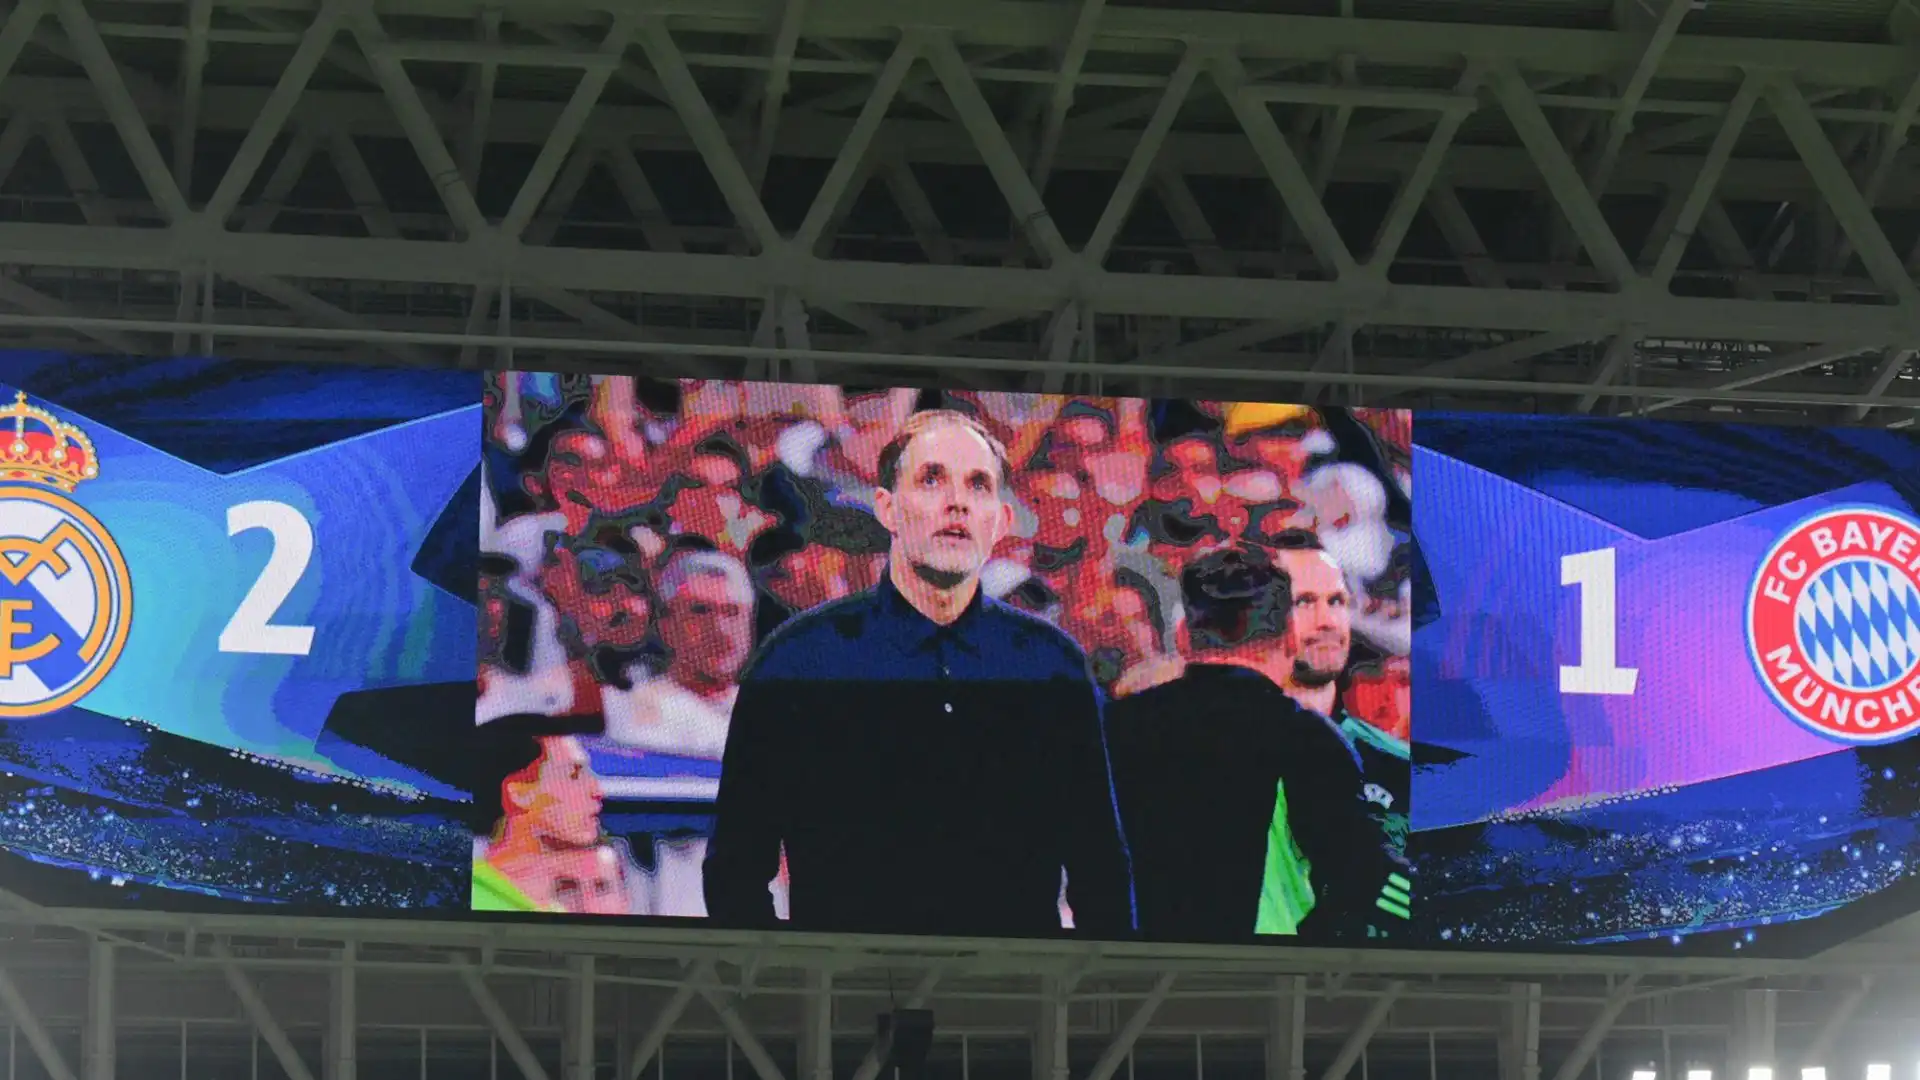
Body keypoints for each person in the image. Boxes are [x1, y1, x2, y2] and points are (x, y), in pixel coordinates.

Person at [703, 409, 1135, 937]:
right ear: (886, 508)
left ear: (999, 520)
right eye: (931, 479)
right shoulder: (799, 662)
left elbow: (1101, 870)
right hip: (848, 1001)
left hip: (1013, 1004)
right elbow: (736, 871)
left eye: (977, 485)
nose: (956, 502)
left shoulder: (1051, 665)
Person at [1104, 543, 1400, 942]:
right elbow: (1364, 878)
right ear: (1291, 640)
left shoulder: (1114, 725)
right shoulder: (1307, 739)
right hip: (1260, 985)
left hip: (1128, 981)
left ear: (1183, 638)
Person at [602, 549, 756, 758]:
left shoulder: (773, 710)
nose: (720, 628)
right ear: (667, 625)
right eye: (700, 611)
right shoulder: (629, 708)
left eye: (732, 612)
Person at [471, 718, 608, 912]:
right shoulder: (474, 897)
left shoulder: (553, 911)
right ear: (520, 794)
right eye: (574, 775)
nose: (597, 790)